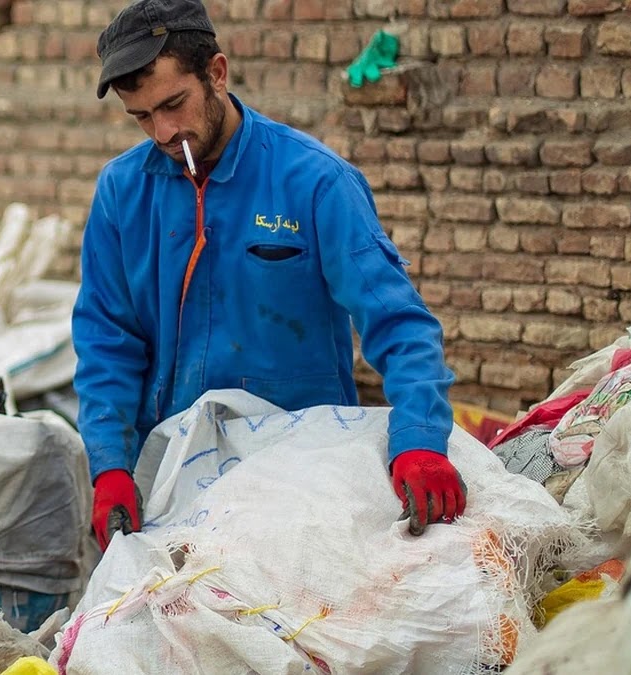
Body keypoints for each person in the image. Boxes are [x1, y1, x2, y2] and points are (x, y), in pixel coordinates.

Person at [72, 0, 466, 551]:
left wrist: (420, 438)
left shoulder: (315, 182)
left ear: (217, 73)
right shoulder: (122, 192)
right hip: (170, 475)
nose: (163, 131)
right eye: (141, 117)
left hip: (301, 478)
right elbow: (107, 340)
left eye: (173, 105)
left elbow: (399, 322)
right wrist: (111, 464)